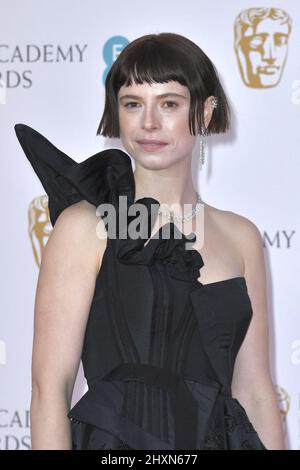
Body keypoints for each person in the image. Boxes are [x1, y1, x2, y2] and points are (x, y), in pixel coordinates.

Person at [14, 32, 285, 450]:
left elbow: (254, 391)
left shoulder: (241, 236)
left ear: (206, 111)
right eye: (133, 103)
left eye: (170, 104)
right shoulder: (86, 226)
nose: (149, 123)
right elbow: (49, 387)